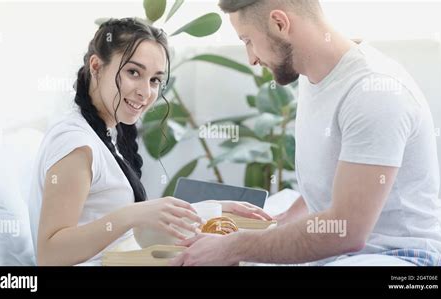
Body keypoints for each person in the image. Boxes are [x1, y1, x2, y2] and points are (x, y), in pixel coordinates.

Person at [170, 0, 441, 266]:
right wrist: (279, 223)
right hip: (341, 254)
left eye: (248, 41)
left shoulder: (372, 92)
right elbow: (335, 182)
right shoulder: (314, 77)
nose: (251, 58)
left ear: (280, 23)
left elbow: (346, 231)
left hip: (401, 258)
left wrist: (235, 246)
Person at [28, 18, 271, 266]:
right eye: (133, 72)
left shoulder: (103, 134)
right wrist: (133, 214)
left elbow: (115, 225)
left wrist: (206, 210)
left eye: (155, 80)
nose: (145, 92)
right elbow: (50, 254)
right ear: (96, 66)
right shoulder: (76, 143)